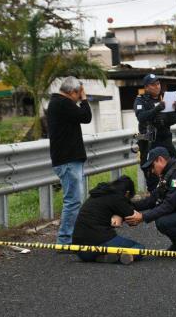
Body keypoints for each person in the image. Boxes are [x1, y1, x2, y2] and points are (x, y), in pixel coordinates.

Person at [46, 76, 92, 244]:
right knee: (72, 201)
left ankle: (71, 237)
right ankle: (65, 240)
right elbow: (86, 117)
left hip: (68, 158)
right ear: (72, 92)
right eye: (79, 94)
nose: (80, 97)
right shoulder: (63, 103)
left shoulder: (57, 102)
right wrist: (85, 100)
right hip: (67, 159)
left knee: (74, 200)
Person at [72, 176, 145, 264]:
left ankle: (105, 257)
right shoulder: (117, 198)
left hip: (81, 251)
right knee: (139, 247)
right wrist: (121, 215)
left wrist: (119, 215)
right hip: (100, 241)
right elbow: (132, 217)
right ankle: (126, 256)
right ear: (127, 193)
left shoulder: (99, 193)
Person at [134, 73, 176, 191]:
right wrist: (157, 109)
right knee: (152, 172)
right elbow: (141, 117)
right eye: (153, 85)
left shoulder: (165, 99)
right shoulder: (141, 100)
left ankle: (174, 193)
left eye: (158, 83)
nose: (157, 86)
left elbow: (175, 120)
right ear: (146, 87)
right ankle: (155, 197)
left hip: (166, 139)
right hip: (150, 142)